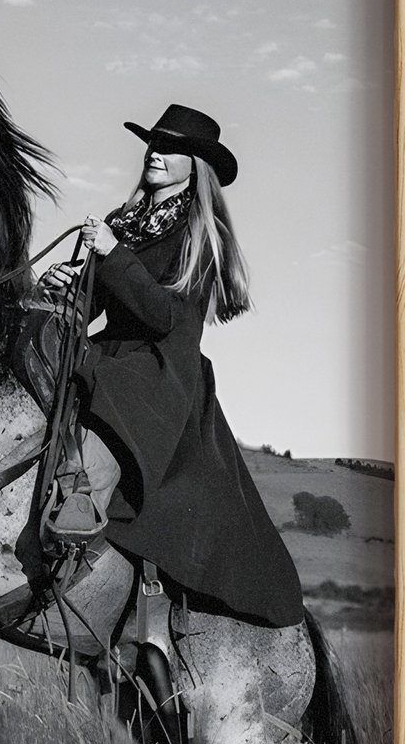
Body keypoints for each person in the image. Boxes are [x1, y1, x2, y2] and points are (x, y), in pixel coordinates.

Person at [36, 104, 305, 629]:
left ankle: (80, 513)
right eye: (153, 144)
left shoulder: (200, 234)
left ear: (195, 166)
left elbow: (163, 317)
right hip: (110, 353)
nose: (156, 154)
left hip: (159, 372)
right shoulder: (121, 222)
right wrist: (66, 290)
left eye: (171, 148)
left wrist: (113, 255)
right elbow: (92, 308)